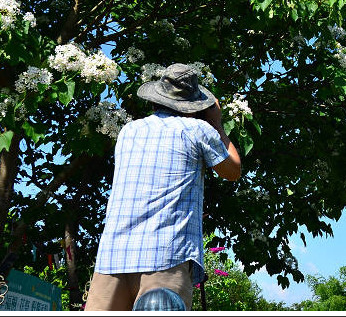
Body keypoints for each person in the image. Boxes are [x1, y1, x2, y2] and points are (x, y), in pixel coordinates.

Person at [84, 63, 242, 311]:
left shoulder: (129, 130)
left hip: (112, 257)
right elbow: (233, 171)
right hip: (166, 257)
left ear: (156, 98)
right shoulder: (198, 130)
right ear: (193, 105)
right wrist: (217, 124)